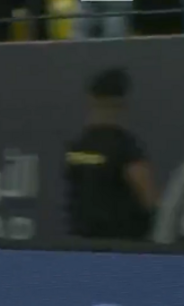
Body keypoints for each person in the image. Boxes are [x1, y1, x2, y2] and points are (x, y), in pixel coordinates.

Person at [64, 67, 158, 241]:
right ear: (122, 104)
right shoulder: (125, 148)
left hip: (82, 244)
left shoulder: (77, 147)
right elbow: (148, 196)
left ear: (91, 100)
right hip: (121, 245)